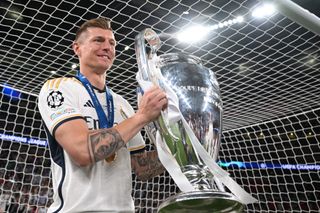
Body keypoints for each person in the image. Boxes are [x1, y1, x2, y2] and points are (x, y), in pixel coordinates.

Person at [38, 17, 167, 213]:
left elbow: (141, 168)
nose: (107, 47)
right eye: (98, 40)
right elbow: (82, 151)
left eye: (112, 43)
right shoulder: (59, 88)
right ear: (77, 48)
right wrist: (141, 116)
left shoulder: (122, 104)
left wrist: (180, 150)